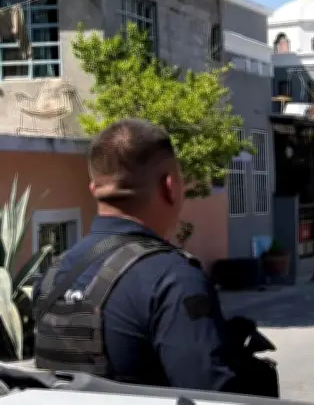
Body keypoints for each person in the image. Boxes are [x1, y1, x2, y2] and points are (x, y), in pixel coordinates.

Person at [32, 118, 277, 396]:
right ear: (170, 186)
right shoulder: (173, 279)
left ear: (94, 190)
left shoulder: (54, 275)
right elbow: (216, 397)